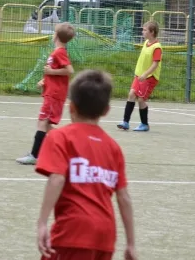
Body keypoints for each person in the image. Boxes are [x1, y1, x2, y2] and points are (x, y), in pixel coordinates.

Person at [36, 70, 137, 260]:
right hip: (105, 237)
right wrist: (131, 243)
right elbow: (123, 197)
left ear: (71, 107)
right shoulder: (113, 147)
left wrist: (42, 222)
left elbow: (57, 179)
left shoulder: (60, 137)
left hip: (72, 233)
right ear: (106, 111)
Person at [16, 23, 75, 165]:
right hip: (51, 92)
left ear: (56, 36)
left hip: (54, 95)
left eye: (54, 32)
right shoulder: (56, 52)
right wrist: (45, 80)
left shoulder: (60, 52)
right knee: (45, 124)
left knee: (42, 122)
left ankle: (35, 155)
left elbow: (69, 70)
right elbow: (54, 73)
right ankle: (67, 146)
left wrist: (52, 72)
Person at [117, 21, 162, 132]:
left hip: (149, 77)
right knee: (131, 95)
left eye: (145, 30)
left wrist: (145, 74)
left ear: (152, 32)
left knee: (141, 99)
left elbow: (155, 64)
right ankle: (125, 122)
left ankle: (144, 124)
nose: (142, 32)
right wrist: (139, 73)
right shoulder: (146, 43)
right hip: (139, 76)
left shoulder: (157, 47)